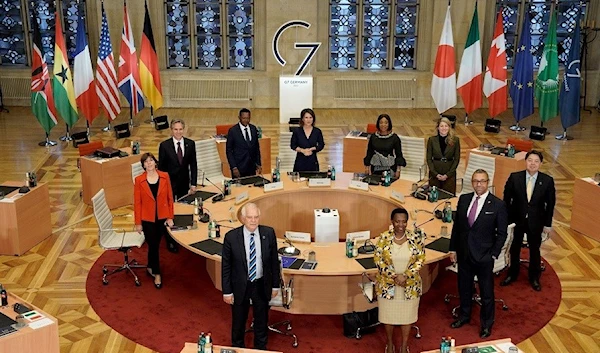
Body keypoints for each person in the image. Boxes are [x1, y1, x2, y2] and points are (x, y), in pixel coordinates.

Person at [449, 169, 508, 338]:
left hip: (484, 257)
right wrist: (453, 249)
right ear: (472, 182)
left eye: (482, 181)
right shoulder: (464, 199)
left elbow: (502, 233)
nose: (479, 184)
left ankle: (486, 324)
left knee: (486, 293)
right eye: (476, 181)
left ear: (487, 182)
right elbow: (458, 228)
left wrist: (493, 254)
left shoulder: (498, 204)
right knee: (464, 288)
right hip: (465, 254)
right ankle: (464, 316)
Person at [221, 203, 280, 350]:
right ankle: (237, 348)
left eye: (256, 217)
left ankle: (260, 349)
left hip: (261, 284)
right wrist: (227, 291)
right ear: (242, 218)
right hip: (241, 285)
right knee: (238, 322)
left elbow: (274, 262)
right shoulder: (231, 237)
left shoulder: (269, 233)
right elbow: (226, 267)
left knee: (261, 321)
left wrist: (275, 285)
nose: (253, 221)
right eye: (249, 217)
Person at [501, 150, 556, 291]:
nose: (532, 163)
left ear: (540, 164)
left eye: (536, 161)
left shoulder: (547, 181)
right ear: (526, 161)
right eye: (530, 160)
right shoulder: (515, 177)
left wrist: (547, 225)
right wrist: (505, 219)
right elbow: (506, 200)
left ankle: (534, 277)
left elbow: (550, 205)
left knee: (534, 250)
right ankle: (512, 274)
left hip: (536, 221)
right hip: (516, 219)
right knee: (514, 247)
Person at [374, 208, 425, 353]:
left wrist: (406, 275)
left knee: (406, 317)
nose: (400, 225)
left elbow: (420, 259)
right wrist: (394, 276)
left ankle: (403, 346)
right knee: (388, 315)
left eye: (403, 222)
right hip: (388, 284)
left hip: (409, 285)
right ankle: (389, 344)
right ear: (392, 222)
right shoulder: (384, 238)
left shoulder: (415, 238)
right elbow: (378, 259)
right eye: (397, 221)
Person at [134, 153, 174, 289]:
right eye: (146, 162)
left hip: (162, 216)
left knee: (155, 244)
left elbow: (170, 198)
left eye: (151, 160)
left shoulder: (165, 176)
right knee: (153, 245)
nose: (149, 163)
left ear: (155, 163)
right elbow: (137, 203)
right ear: (143, 165)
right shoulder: (139, 180)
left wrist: (170, 217)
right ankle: (157, 273)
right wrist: (138, 223)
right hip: (147, 218)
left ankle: (150, 266)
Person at [158, 119, 197, 253]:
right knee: (168, 210)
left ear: (184, 129)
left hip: (184, 183)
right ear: (171, 130)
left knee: (181, 209)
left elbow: (193, 165)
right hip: (168, 184)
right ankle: (169, 239)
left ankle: (180, 234)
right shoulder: (164, 146)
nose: (178, 132)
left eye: (180, 129)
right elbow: (161, 169)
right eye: (176, 129)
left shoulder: (190, 144)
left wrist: (193, 184)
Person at [364, 114, 406, 178]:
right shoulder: (373, 137)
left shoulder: (394, 138)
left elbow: (399, 155)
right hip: (376, 167)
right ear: (378, 124)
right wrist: (367, 167)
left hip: (389, 167)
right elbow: (369, 152)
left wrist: (398, 170)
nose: (383, 125)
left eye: (386, 123)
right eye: (381, 123)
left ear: (389, 124)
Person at [426, 117, 460, 194]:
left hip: (449, 174)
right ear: (438, 128)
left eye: (446, 126)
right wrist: (435, 173)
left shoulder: (455, 140)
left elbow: (456, 159)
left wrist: (448, 174)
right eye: (441, 126)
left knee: (448, 197)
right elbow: (428, 159)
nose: (444, 128)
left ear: (449, 127)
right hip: (435, 173)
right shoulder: (431, 140)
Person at [226, 108, 263, 178]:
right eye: (244, 118)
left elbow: (256, 148)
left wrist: (258, 163)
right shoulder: (233, 131)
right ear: (239, 117)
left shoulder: (253, 129)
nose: (246, 120)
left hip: (251, 167)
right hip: (239, 168)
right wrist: (234, 167)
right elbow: (229, 151)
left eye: (248, 118)